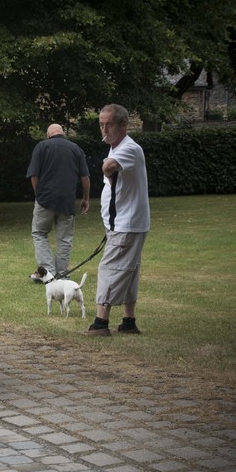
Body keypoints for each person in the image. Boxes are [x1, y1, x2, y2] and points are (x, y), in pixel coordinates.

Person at [85, 104, 150, 336]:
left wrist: (106, 169)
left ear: (123, 125)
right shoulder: (119, 148)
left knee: (110, 269)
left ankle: (100, 324)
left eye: (109, 124)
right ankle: (128, 322)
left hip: (126, 224)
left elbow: (109, 166)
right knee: (129, 270)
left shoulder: (128, 148)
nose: (104, 129)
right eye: (101, 124)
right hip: (124, 223)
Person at [26, 123, 90, 281]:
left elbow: (34, 175)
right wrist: (86, 198)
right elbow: (85, 177)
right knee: (65, 239)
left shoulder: (42, 146)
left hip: (45, 199)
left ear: (48, 134)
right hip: (67, 201)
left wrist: (38, 195)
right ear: (63, 133)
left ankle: (48, 273)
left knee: (39, 233)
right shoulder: (76, 149)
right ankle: (62, 274)